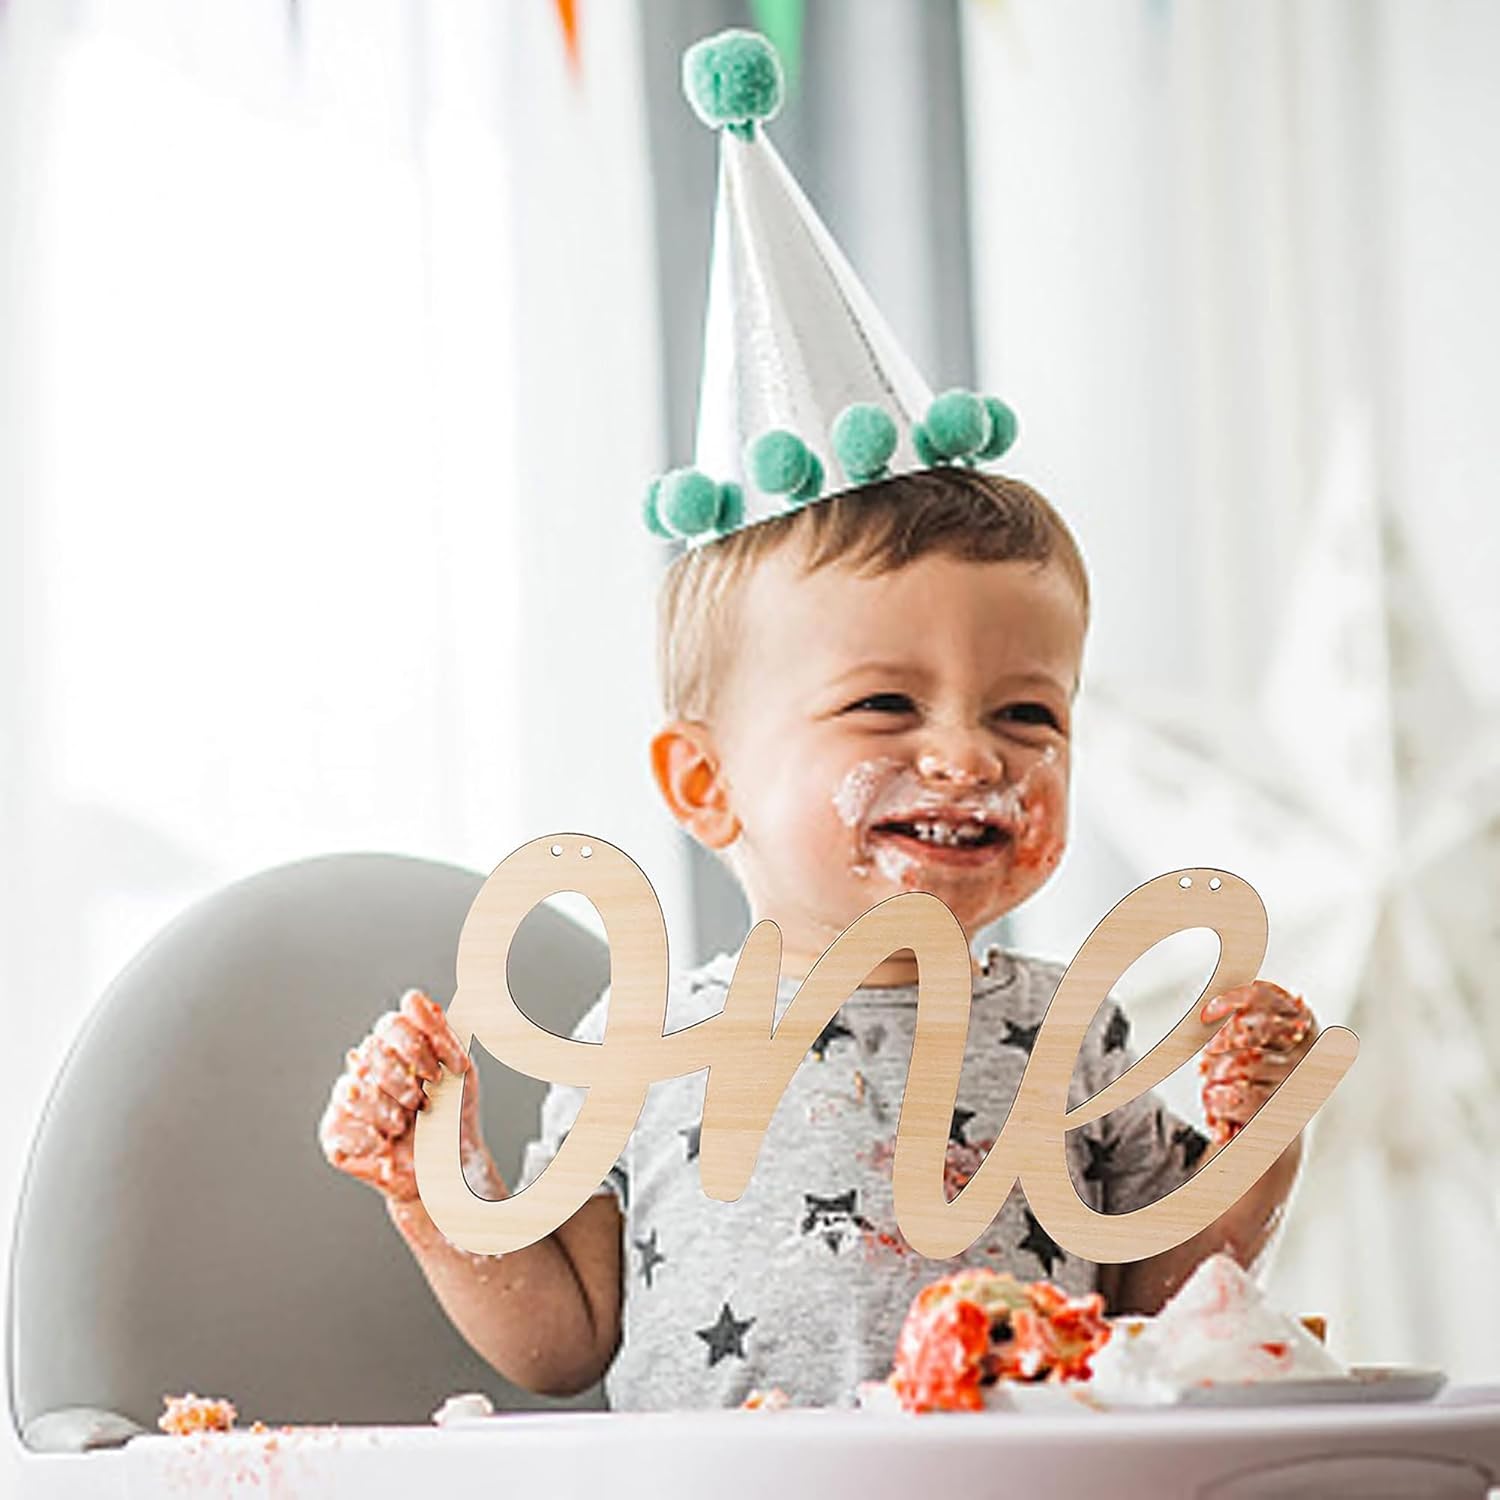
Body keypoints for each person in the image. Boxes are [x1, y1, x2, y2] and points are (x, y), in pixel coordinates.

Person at [317, 28, 1317, 1410]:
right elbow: (565, 1338)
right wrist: (440, 1187)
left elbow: (1157, 1302)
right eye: (886, 705)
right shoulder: (645, 1041)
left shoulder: (1068, 1034)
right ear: (706, 783)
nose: (971, 754)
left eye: (1028, 712)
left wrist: (1257, 1139)